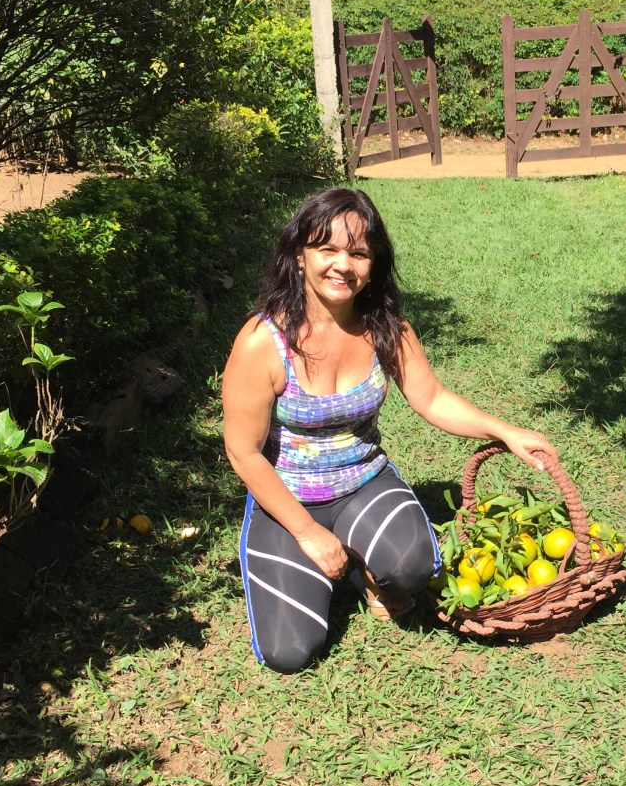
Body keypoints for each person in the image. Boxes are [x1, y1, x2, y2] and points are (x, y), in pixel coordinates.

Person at [221, 186, 556, 673]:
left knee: (413, 568)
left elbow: (432, 399)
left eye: (358, 253)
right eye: (327, 249)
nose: (343, 265)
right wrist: (308, 533)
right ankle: (324, 557)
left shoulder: (386, 329)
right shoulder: (262, 342)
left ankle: (365, 570)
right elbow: (243, 452)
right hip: (288, 498)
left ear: (373, 263)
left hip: (363, 482)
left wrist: (505, 432)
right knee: (289, 652)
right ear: (299, 256)